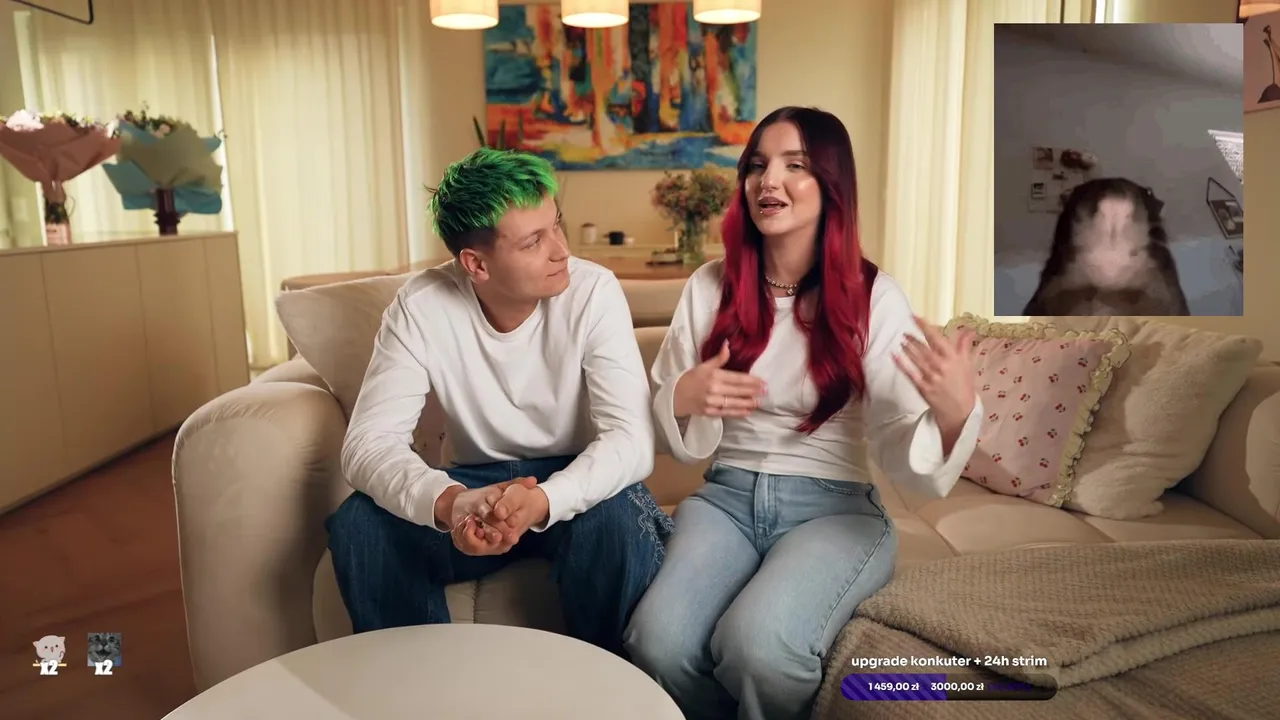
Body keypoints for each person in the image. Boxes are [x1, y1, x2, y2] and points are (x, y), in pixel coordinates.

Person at [622, 106, 983, 720]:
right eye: (757, 165)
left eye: (796, 165)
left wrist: (953, 413)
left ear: (832, 185)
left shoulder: (875, 296)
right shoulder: (709, 286)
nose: (769, 181)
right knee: (657, 642)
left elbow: (900, 438)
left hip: (834, 509)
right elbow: (662, 414)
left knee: (759, 649)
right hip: (725, 499)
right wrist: (682, 397)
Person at [327, 147, 674, 656]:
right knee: (360, 523)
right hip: (474, 485)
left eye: (557, 225)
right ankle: (414, 689)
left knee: (619, 517)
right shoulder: (421, 307)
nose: (561, 251)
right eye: (534, 241)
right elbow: (367, 445)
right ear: (476, 263)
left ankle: (611, 687)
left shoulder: (593, 291)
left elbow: (631, 439)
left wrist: (543, 500)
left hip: (575, 477)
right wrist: (451, 503)